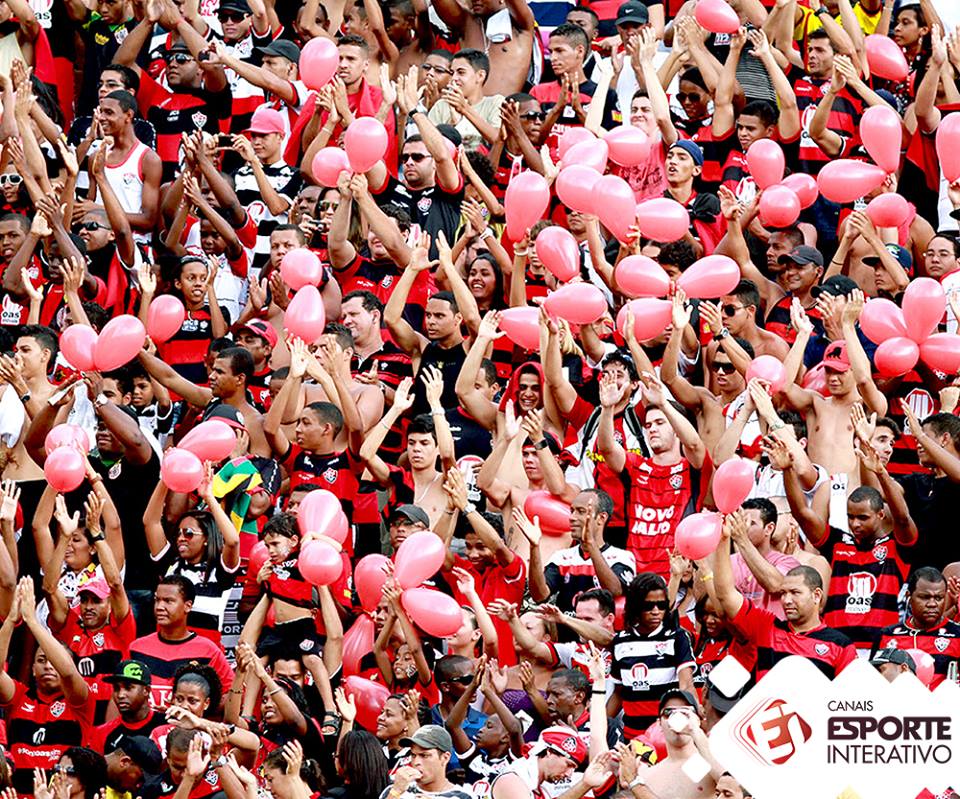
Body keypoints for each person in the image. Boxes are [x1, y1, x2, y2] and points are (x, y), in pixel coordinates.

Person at [713, 512, 858, 680]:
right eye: (783, 593)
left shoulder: (840, 645)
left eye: (795, 593)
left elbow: (850, 693)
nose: (786, 600)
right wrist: (724, 539)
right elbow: (726, 595)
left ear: (816, 595)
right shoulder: (766, 628)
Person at [128, 576, 234, 709]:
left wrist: (195, 711)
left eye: (168, 601)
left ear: (187, 606)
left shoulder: (208, 651)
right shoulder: (137, 648)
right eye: (157, 600)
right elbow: (121, 691)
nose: (159, 607)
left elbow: (230, 695)